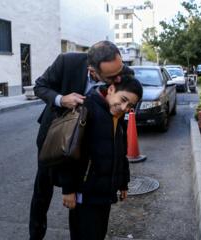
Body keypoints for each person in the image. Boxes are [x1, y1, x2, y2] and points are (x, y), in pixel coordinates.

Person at [29, 40, 134, 240]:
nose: (119, 78)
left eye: (120, 70)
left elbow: (120, 126)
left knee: (81, 199)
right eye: (111, 77)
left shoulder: (124, 75)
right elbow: (40, 86)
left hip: (89, 147)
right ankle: (35, 235)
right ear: (92, 71)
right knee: (42, 191)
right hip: (56, 137)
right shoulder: (66, 62)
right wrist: (62, 99)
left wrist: (123, 176)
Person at [55, 75, 143, 239]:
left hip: (104, 192)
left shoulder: (118, 116)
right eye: (122, 99)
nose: (123, 107)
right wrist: (67, 189)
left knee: (98, 234)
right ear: (111, 89)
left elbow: (120, 153)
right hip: (85, 193)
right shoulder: (87, 108)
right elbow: (66, 152)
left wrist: (123, 182)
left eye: (129, 105)